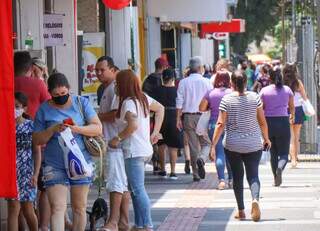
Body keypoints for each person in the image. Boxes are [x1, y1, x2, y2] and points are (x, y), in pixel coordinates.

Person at [33, 73, 102, 231]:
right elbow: (37, 140)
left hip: (80, 162)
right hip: (54, 164)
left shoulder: (80, 103)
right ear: (49, 93)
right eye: (56, 95)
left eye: (63, 94)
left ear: (69, 90)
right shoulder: (44, 109)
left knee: (79, 207)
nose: (60, 97)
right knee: (57, 207)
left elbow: (97, 128)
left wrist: (76, 129)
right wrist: (52, 129)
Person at [209, 70, 271, 222]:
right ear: (245, 82)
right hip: (253, 144)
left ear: (232, 83)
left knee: (237, 177)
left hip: (233, 145)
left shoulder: (226, 100)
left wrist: (213, 145)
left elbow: (220, 124)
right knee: (253, 175)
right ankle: (255, 199)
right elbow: (262, 122)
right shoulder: (255, 98)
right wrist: (266, 139)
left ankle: (242, 211)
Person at [109, 70, 164, 231]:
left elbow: (133, 125)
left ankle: (147, 225)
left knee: (138, 190)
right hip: (144, 149)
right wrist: (154, 132)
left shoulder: (127, 103)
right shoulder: (142, 98)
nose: (115, 87)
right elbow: (160, 108)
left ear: (123, 84)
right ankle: (139, 224)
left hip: (134, 151)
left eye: (117, 83)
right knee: (135, 189)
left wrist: (117, 138)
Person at [96, 56, 130, 231]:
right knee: (121, 185)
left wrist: (95, 117)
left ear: (113, 69)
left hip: (115, 143)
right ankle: (123, 222)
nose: (99, 73)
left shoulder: (114, 89)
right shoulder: (107, 88)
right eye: (96, 70)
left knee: (116, 184)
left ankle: (114, 221)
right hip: (112, 142)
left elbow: (115, 114)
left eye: (102, 70)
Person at [7, 92, 41, 231]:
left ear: (25, 108)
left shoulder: (31, 126)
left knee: (28, 209)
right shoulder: (5, 127)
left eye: (17, 106)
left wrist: (36, 174)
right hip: (11, 173)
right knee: (13, 209)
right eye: (12, 106)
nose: (14, 109)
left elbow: (37, 151)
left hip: (27, 172)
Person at [176, 56, 212, 182]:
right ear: (199, 68)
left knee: (192, 145)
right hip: (203, 116)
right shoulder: (206, 82)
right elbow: (211, 100)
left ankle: (195, 174)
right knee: (206, 143)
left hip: (188, 117)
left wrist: (177, 119)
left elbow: (179, 102)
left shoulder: (183, 82)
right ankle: (202, 158)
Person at [260, 68, 295, 186]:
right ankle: (280, 168)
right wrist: (292, 116)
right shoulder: (287, 90)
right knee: (284, 153)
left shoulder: (264, 91)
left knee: (273, 152)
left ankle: (276, 177)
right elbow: (291, 106)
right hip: (283, 122)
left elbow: (260, 108)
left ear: (269, 77)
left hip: (269, 123)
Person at [199, 71, 233, 190]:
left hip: (214, 124)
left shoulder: (211, 93)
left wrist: (211, 106)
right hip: (230, 124)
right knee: (230, 153)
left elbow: (201, 108)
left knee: (219, 152)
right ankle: (232, 179)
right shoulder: (232, 93)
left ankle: (221, 180)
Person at [153, 68, 184, 180]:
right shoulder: (176, 90)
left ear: (163, 78)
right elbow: (180, 105)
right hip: (173, 117)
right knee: (173, 146)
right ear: (173, 78)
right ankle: (173, 171)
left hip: (160, 118)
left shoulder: (157, 90)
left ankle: (162, 169)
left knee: (161, 144)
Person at [283, 63, 308, 168]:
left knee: (290, 136)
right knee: (296, 136)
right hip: (298, 109)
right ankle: (295, 158)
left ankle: (292, 159)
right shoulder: (298, 83)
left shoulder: (283, 83)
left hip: (287, 109)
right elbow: (305, 97)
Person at [14, 51, 51, 119]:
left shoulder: (5, 84)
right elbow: (49, 106)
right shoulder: (39, 84)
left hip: (7, 126)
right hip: (34, 126)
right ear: (31, 69)